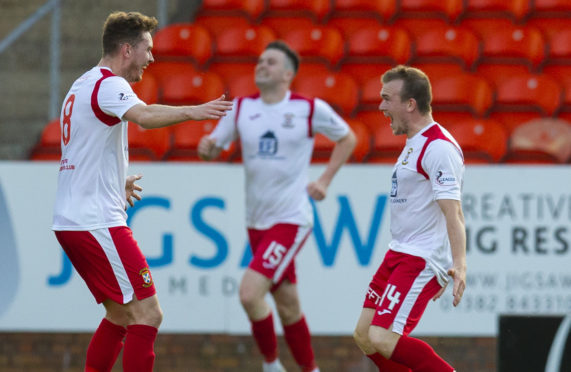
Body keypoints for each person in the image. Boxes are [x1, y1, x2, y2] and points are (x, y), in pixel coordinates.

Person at [51, 11, 232, 372]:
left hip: (72, 221)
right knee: (148, 314)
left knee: (120, 314)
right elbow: (145, 117)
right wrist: (196, 111)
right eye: (147, 49)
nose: (151, 58)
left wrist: (116, 182)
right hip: (97, 222)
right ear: (126, 49)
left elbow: (80, 152)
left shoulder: (81, 85)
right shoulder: (110, 85)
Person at [198, 40, 357, 372]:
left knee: (248, 294)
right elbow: (213, 147)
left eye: (270, 62)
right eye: (259, 61)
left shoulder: (308, 108)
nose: (261, 65)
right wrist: (207, 148)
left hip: (291, 218)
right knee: (287, 307)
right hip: (255, 222)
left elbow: (348, 138)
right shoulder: (241, 108)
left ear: (288, 73)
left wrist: (325, 181)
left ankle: (271, 366)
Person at [352, 65, 466, 372]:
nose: (381, 106)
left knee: (383, 337)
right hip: (399, 252)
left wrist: (456, 265)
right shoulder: (415, 142)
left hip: (421, 258)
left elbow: (453, 212)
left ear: (410, 104)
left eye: (387, 98)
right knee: (364, 335)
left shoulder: (438, 147)